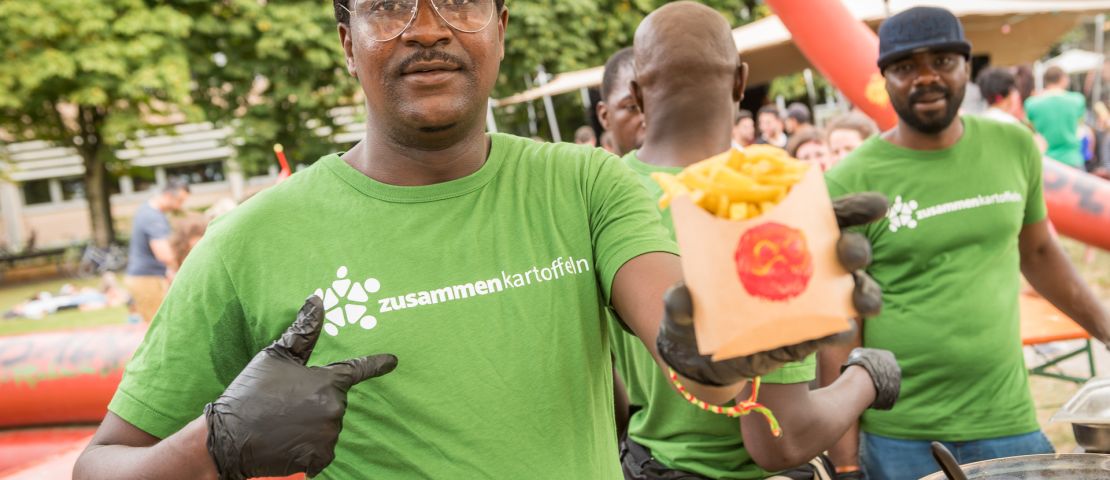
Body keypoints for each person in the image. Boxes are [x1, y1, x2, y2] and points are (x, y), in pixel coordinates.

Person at [75, 1, 879, 478]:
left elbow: (675, 319)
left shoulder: (586, 184)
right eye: (390, 4)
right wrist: (211, 444)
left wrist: (747, 323)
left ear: (499, 24)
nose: (427, 29)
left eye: (459, 0)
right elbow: (101, 466)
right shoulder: (247, 242)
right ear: (346, 36)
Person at [821, 7, 1110, 479]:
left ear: (967, 65)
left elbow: (1038, 253)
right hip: (898, 434)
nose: (926, 77)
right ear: (884, 78)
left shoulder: (1013, 146)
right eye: (906, 67)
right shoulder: (849, 183)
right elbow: (840, 326)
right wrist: (847, 462)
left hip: (1007, 421)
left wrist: (1105, 325)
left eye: (942, 61)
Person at [614, 3, 900, 479]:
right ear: (741, 82)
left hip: (643, 465)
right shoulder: (769, 198)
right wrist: (869, 376)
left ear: (637, 95)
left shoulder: (605, 193)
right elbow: (780, 438)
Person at [123, 178, 189, 322]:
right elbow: (164, 255)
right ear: (168, 196)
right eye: (180, 201)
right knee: (159, 327)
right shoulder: (153, 217)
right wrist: (178, 272)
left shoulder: (148, 211)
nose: (180, 206)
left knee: (159, 326)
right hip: (147, 279)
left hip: (146, 277)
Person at [1025, 66, 1087, 168]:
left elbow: (1031, 131)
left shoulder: (1032, 103)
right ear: (1063, 79)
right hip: (1072, 159)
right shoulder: (1077, 100)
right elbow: (1080, 127)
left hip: (1045, 162)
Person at [597, 47, 644, 157]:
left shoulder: (689, 172)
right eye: (632, 107)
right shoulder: (595, 173)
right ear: (605, 116)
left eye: (656, 107)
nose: (647, 120)